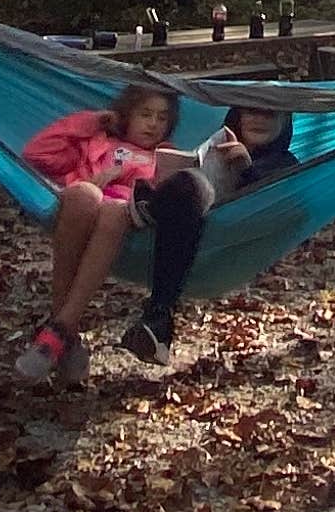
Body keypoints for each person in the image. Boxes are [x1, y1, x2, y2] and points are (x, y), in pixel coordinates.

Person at [15, 81, 177, 381]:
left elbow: (176, 199)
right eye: (145, 114)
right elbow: (36, 153)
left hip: (124, 219)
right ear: (126, 115)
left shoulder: (166, 157)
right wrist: (91, 123)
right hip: (80, 210)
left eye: (162, 117)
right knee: (85, 194)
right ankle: (65, 332)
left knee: (114, 211)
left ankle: (59, 331)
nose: (154, 124)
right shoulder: (96, 142)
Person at [120, 99, 298, 368]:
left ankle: (159, 316)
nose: (260, 118)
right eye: (252, 109)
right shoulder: (213, 147)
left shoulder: (286, 163)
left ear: (284, 122)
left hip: (229, 238)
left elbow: (281, 205)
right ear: (237, 115)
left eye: (270, 113)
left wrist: (247, 169)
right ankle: (157, 321)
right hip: (182, 226)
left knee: (192, 186)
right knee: (187, 184)